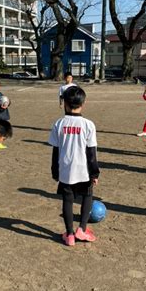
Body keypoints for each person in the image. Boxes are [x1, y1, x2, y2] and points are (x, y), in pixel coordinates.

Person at [48, 86, 100, 246]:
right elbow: (91, 153)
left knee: (67, 201)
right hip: (83, 170)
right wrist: (94, 173)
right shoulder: (88, 125)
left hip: (65, 170)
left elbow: (55, 151)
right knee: (87, 197)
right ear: (83, 103)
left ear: (64, 103)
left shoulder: (59, 123)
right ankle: (82, 229)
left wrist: (55, 171)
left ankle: (69, 234)